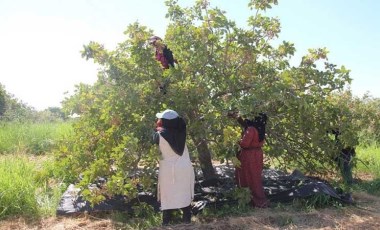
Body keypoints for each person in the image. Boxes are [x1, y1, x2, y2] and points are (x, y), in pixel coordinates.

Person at [152, 109, 195, 225]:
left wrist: (155, 127)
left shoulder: (158, 135)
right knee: (184, 192)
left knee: (168, 194)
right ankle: (186, 219)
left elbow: (153, 138)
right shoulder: (181, 132)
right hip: (184, 167)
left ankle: (166, 221)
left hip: (168, 169)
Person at [228, 111, 269, 208]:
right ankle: (258, 198)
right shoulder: (261, 128)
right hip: (257, 154)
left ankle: (251, 200)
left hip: (248, 155)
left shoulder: (251, 129)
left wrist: (234, 140)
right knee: (255, 176)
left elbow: (244, 144)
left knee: (247, 176)